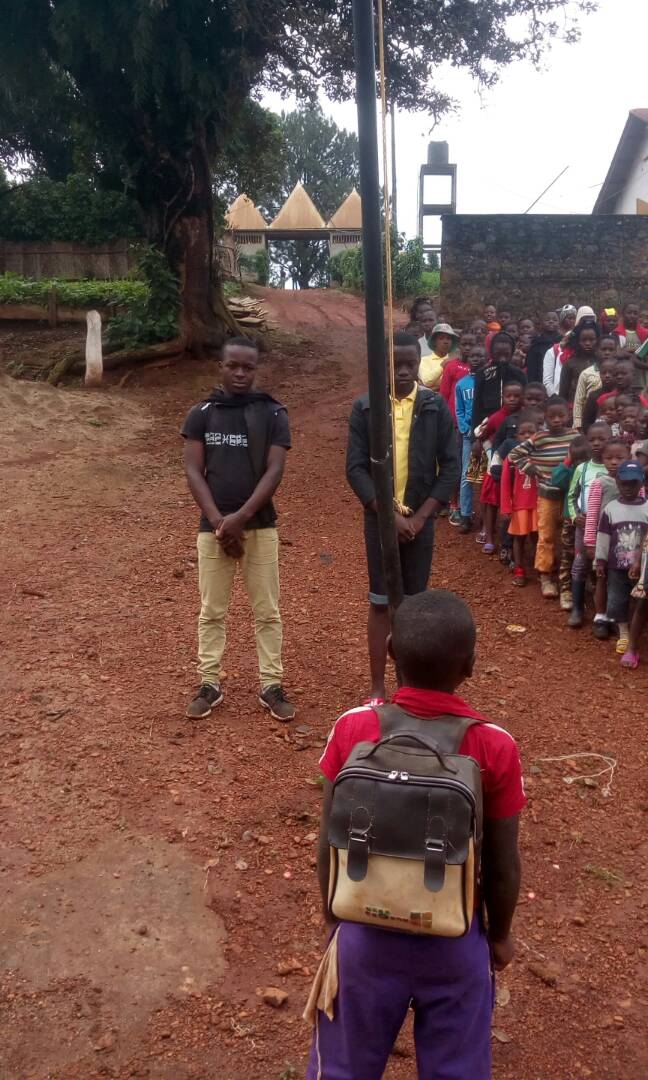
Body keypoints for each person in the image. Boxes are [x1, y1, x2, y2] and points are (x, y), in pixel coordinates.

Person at [308, 590, 525, 1080]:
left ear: (390, 652)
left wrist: (331, 918)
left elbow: (327, 842)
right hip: (454, 940)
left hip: (363, 932)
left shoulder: (354, 728)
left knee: (343, 1068)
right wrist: (499, 936)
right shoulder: (494, 745)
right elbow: (503, 863)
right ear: (470, 665)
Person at [181, 337, 295, 721]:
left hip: (260, 527)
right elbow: (193, 470)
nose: (241, 373)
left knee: (267, 611)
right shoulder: (202, 413)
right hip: (212, 529)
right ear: (221, 367)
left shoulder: (273, 413)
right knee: (211, 610)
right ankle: (209, 683)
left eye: (248, 367)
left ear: (256, 369)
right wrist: (219, 522)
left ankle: (271, 685)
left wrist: (240, 518)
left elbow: (274, 471)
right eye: (233, 366)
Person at [346, 331, 460, 703]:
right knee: (380, 601)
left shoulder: (434, 407)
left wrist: (422, 517)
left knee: (413, 605)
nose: (404, 371)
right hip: (379, 520)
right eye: (397, 365)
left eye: (411, 364)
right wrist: (387, 517)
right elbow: (356, 469)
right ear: (384, 366)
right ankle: (378, 687)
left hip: (420, 522)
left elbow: (450, 466)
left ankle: (410, 688)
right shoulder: (366, 408)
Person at [508, 396, 578, 599]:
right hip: (547, 495)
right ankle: (545, 576)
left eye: (561, 415)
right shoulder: (539, 438)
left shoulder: (575, 436)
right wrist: (531, 469)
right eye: (552, 416)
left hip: (571, 495)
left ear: (568, 416)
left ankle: (570, 576)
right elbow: (514, 455)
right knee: (546, 536)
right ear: (545, 418)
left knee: (569, 537)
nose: (556, 420)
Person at [595, 460, 648, 656]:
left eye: (633, 484)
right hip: (616, 566)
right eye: (624, 483)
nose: (628, 488)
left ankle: (636, 633)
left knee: (640, 600)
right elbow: (603, 537)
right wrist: (600, 561)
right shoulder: (611, 509)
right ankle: (623, 631)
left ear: (641, 483)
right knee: (617, 599)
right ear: (617, 483)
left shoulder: (647, 508)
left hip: (642, 568)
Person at [583, 439, 630, 639]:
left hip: (627, 543)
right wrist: (590, 542)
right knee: (602, 578)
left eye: (620, 458)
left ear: (629, 457)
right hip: (603, 541)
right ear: (602, 459)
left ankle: (617, 618)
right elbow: (592, 514)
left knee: (621, 581)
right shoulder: (599, 483)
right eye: (609, 458)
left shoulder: (634, 483)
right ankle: (601, 617)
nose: (614, 462)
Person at [566, 422, 612, 627]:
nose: (596, 443)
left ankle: (606, 613)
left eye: (601, 439)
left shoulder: (615, 467)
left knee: (607, 567)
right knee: (580, 563)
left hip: (610, 527)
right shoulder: (582, 468)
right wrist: (575, 516)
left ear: (610, 439)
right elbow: (571, 496)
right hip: (585, 526)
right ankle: (577, 608)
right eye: (592, 439)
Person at [476, 383, 525, 554]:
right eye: (508, 396)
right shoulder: (496, 417)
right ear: (502, 397)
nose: (512, 399)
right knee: (492, 501)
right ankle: (489, 536)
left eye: (516, 396)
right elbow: (485, 436)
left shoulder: (526, 416)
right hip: (498, 463)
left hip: (518, 468)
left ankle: (510, 542)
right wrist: (492, 460)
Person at [499, 413, 540, 585]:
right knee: (519, 537)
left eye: (531, 433)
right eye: (523, 433)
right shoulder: (512, 457)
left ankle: (540, 569)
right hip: (520, 505)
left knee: (538, 537)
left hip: (538, 504)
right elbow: (505, 483)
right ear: (517, 436)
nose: (527, 436)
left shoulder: (542, 455)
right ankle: (519, 569)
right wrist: (506, 507)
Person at [456, 345, 488, 533]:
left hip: (488, 435)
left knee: (487, 476)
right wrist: (466, 430)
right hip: (469, 436)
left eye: (480, 356)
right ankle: (465, 515)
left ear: (487, 358)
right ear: (468, 359)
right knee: (467, 475)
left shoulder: (490, 381)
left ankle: (486, 517)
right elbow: (459, 411)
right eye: (473, 356)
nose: (476, 359)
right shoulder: (462, 384)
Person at [471, 332, 527, 433]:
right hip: (487, 425)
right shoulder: (482, 373)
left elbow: (524, 402)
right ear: (492, 352)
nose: (502, 359)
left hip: (513, 425)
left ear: (512, 352)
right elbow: (476, 405)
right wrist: (474, 435)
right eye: (498, 354)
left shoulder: (519, 374)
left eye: (506, 354)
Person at [573, 336, 618, 429]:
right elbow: (579, 402)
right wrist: (578, 425)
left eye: (611, 350)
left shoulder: (624, 394)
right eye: (603, 349)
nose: (607, 352)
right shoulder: (594, 395)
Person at [559, 320, 601, 405]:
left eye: (591, 340)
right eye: (584, 340)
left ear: (597, 340)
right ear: (578, 341)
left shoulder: (602, 361)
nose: (587, 343)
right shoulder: (570, 363)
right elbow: (563, 393)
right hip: (575, 406)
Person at [542, 304, 578, 394]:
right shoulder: (553, 351)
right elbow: (547, 381)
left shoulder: (580, 350)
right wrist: (555, 397)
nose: (572, 321)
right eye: (569, 318)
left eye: (574, 318)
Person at [419, 322, 460, 390]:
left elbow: (457, 383)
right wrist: (443, 365)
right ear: (434, 342)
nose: (445, 342)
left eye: (448, 339)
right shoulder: (424, 360)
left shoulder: (456, 361)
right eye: (441, 338)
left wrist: (435, 387)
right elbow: (427, 381)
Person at [526, 310, 560, 384]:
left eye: (554, 320)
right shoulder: (536, 343)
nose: (551, 321)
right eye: (547, 320)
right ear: (542, 323)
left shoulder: (563, 341)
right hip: (540, 381)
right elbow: (532, 368)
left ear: (559, 323)